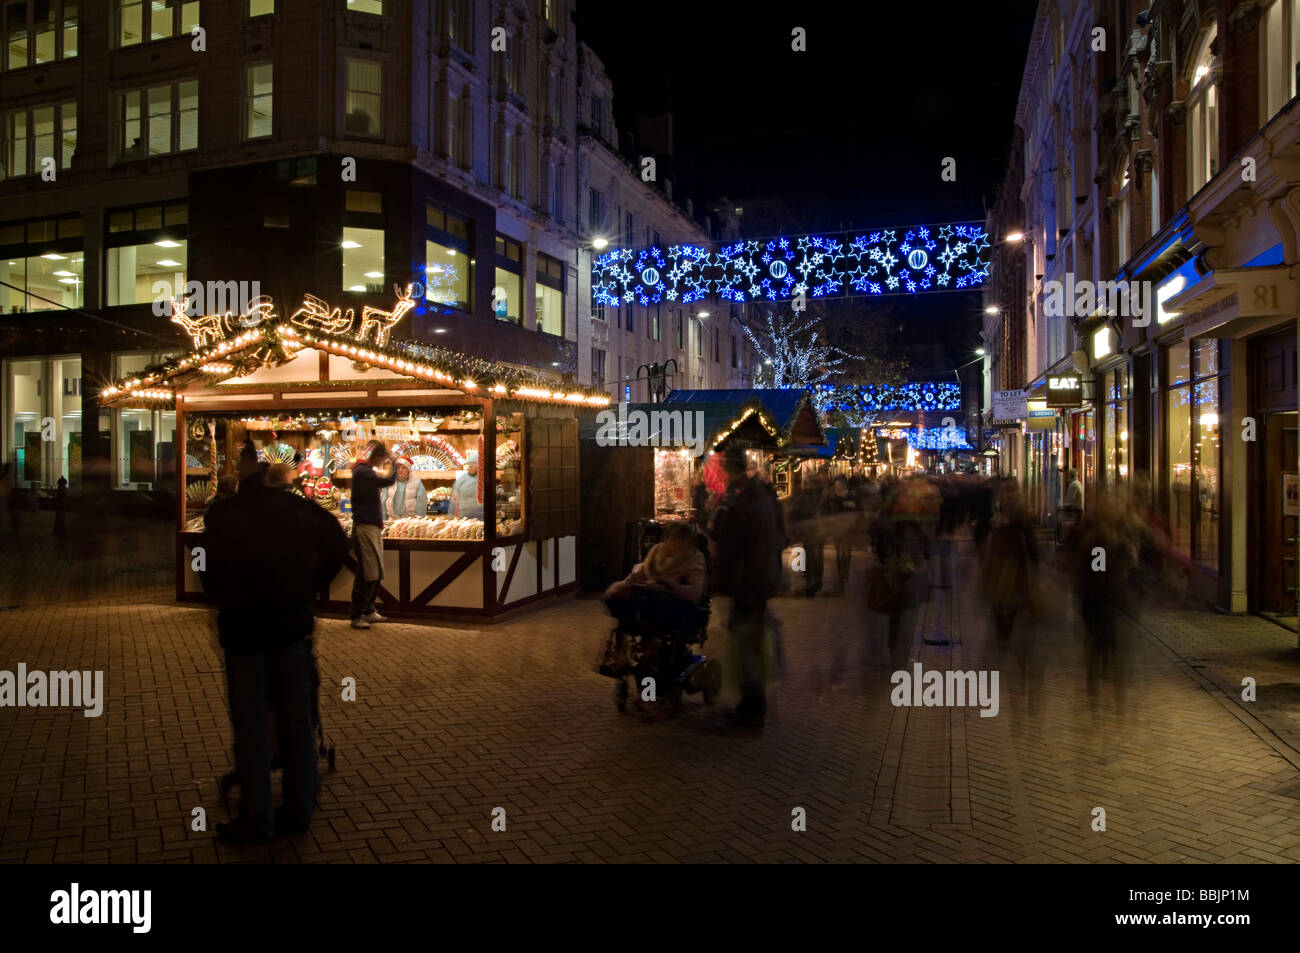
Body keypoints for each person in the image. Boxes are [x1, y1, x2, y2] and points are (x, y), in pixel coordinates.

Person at [201, 452, 349, 843]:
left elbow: (206, 568)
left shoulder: (223, 516)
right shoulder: (300, 510)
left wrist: (225, 597)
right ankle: (299, 812)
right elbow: (337, 545)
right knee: (298, 723)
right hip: (290, 631)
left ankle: (257, 817)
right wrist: (310, 587)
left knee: (251, 727)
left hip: (244, 634)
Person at [711, 447, 784, 727]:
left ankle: (752, 709)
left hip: (749, 586)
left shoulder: (742, 505)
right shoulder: (763, 499)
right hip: (760, 582)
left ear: (730, 470)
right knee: (750, 643)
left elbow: (733, 550)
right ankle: (752, 704)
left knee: (747, 645)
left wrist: (728, 584)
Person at [605, 520, 707, 641]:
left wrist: (672, 585)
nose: (672, 540)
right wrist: (633, 579)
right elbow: (642, 571)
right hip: (647, 594)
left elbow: (695, 592)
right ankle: (625, 642)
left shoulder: (694, 557)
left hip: (675, 602)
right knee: (617, 597)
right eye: (670, 536)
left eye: (678, 537)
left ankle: (649, 643)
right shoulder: (658, 551)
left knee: (654, 602)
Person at [349, 440, 397, 630]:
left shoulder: (364, 472)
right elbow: (388, 481)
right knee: (366, 573)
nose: (383, 462)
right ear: (376, 457)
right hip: (364, 527)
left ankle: (368, 610)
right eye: (382, 458)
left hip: (372, 526)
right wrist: (394, 463)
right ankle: (356, 614)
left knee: (375, 572)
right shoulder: (363, 472)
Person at [451, 451, 483, 519]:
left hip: (482, 520)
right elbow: (454, 501)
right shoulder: (461, 480)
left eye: (474, 463)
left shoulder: (485, 480)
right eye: (469, 463)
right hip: (464, 519)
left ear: (480, 465)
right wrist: (452, 517)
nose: (471, 466)